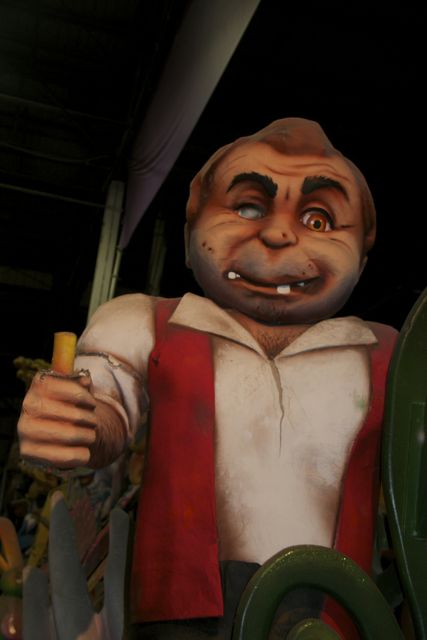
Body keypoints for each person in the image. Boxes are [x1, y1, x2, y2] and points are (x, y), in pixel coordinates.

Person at [18, 118, 398, 638]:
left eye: (318, 219)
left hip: (336, 611)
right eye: (248, 207)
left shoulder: (390, 353)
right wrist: (73, 420)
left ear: (362, 254)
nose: (279, 233)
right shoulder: (147, 323)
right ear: (191, 230)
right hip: (184, 610)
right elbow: (107, 403)